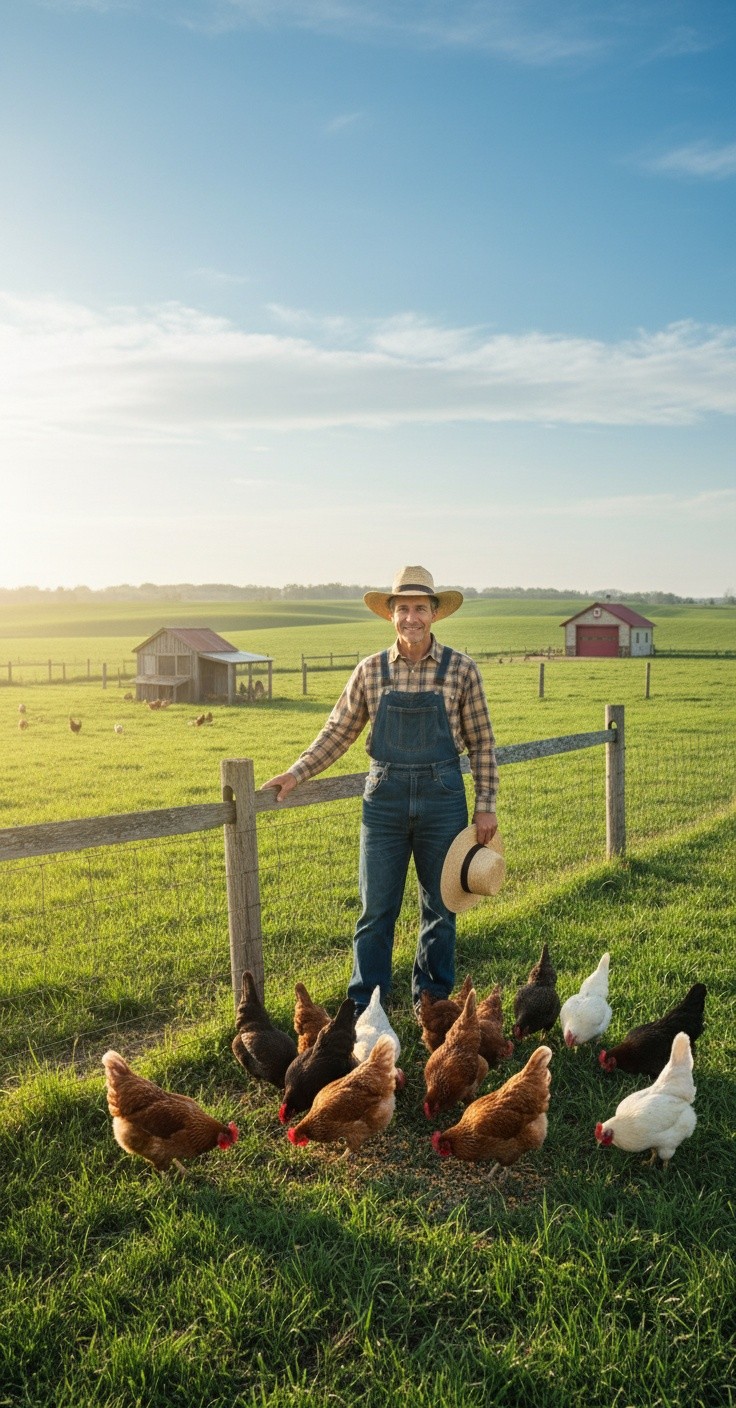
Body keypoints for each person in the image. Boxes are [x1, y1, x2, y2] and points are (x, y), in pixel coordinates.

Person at [262, 566, 499, 1016]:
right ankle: (364, 1004)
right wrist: (296, 773)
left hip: (443, 798)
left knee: (442, 906)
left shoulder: (461, 670)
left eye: (420, 609)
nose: (412, 617)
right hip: (384, 801)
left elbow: (482, 743)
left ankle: (431, 1000)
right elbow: (338, 732)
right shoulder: (370, 671)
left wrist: (485, 806)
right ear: (391, 615)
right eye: (403, 608)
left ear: (434, 614)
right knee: (375, 911)